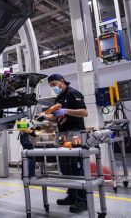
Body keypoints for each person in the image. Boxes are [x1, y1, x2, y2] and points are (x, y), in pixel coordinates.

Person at [42, 74, 89, 214]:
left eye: (55, 84)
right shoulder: (58, 98)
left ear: (62, 81)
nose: (53, 87)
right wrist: (45, 117)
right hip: (62, 134)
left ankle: (83, 200)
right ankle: (72, 195)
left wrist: (66, 111)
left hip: (75, 133)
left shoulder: (73, 93)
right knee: (65, 166)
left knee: (76, 165)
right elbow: (56, 118)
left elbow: (84, 113)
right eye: (51, 86)